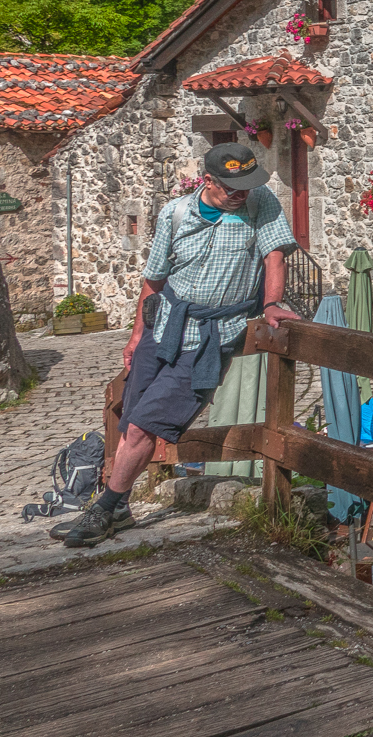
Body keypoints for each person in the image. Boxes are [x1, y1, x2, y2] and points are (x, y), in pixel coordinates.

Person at [54, 143, 299, 548]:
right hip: (164, 327)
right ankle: (120, 508)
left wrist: (271, 303)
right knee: (131, 417)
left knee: (145, 425)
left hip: (212, 336)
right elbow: (154, 280)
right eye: (233, 187)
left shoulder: (260, 203)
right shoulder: (176, 212)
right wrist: (136, 336)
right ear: (208, 181)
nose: (242, 193)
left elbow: (275, 256)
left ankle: (104, 509)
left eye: (248, 184)